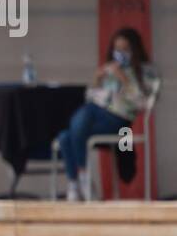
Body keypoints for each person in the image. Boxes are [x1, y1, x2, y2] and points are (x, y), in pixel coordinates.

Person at [56, 27, 160, 201]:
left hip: (120, 121)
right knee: (66, 135)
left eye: (125, 49)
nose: (120, 54)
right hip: (96, 115)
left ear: (135, 49)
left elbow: (143, 102)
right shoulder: (110, 70)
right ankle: (77, 182)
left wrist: (125, 80)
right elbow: (93, 98)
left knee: (80, 119)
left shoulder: (147, 72)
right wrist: (97, 81)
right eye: (117, 50)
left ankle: (80, 179)